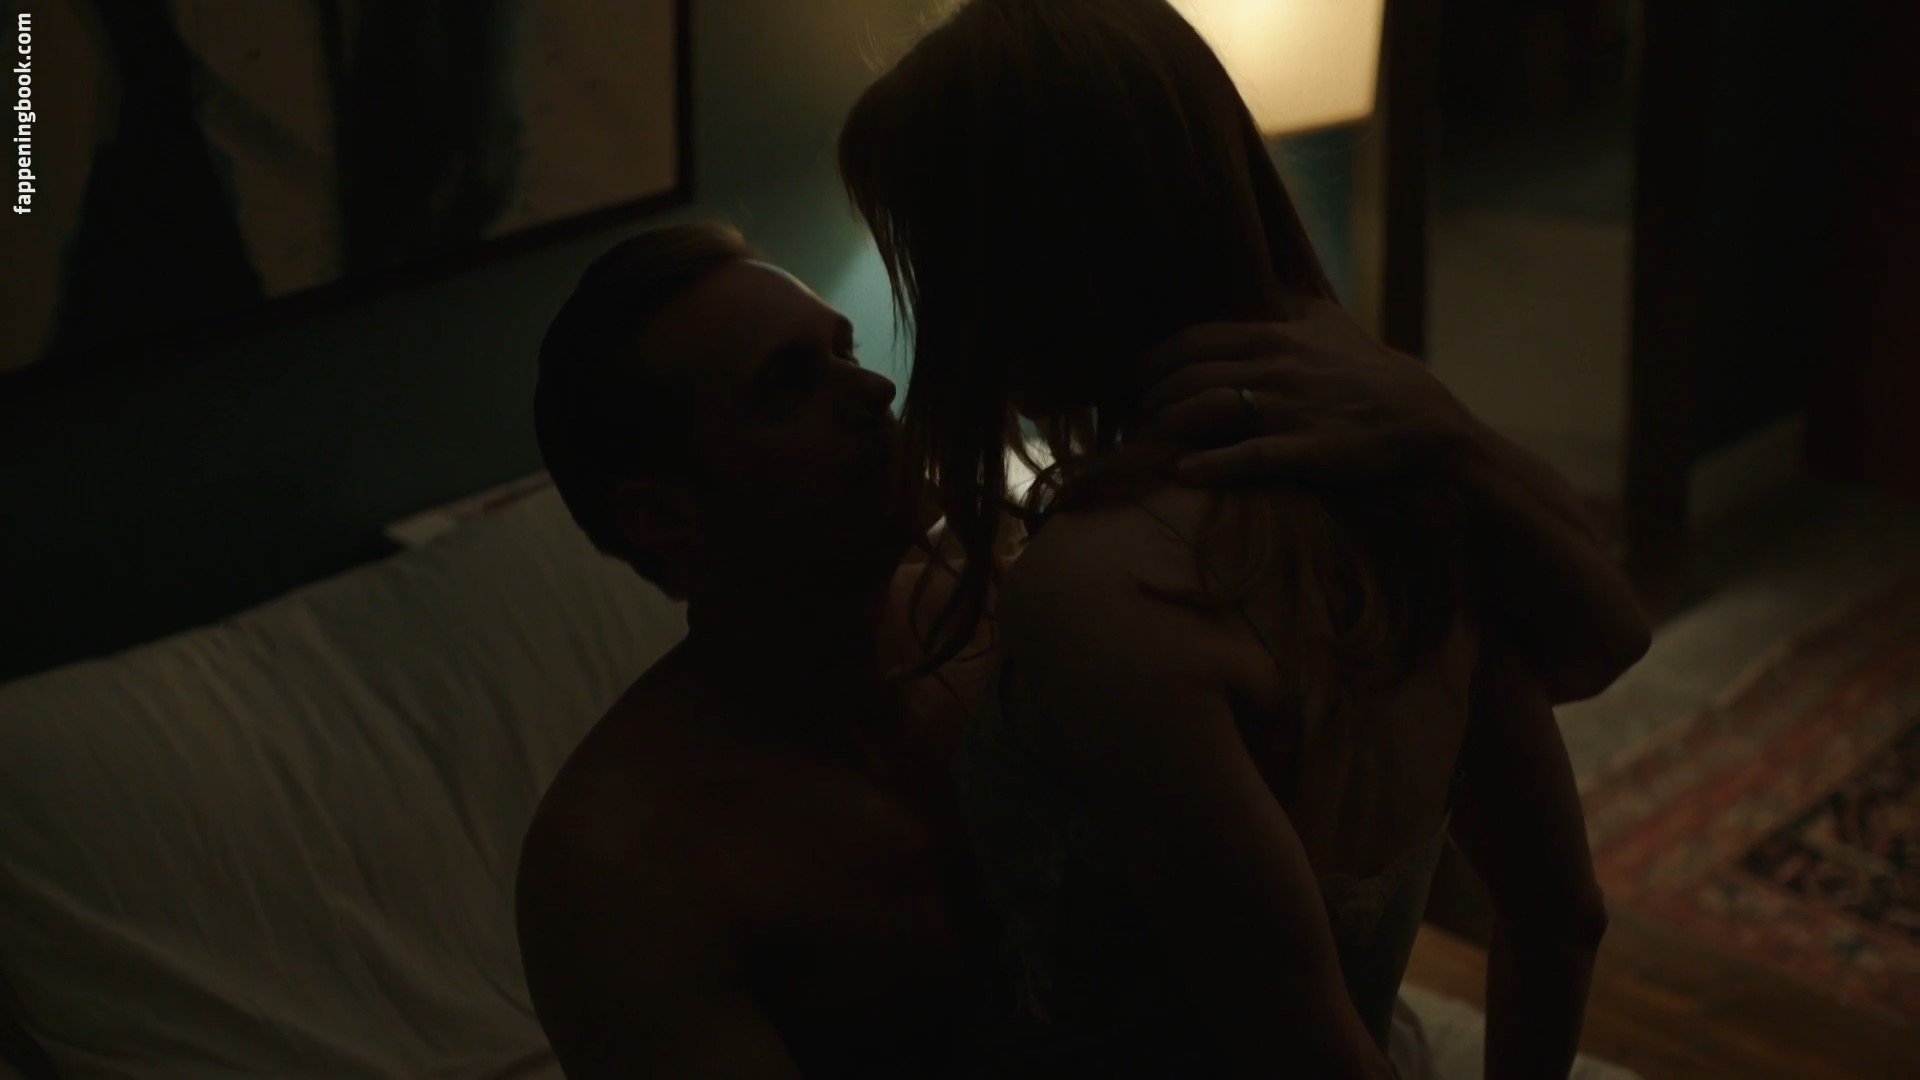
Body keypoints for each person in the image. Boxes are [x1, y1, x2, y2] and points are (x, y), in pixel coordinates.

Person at [838, 1, 1646, 1076]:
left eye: (934, 253)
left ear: (1021, 264)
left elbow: (1293, 1041)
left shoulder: (1103, 588)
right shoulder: (1410, 491)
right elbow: (1561, 917)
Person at [515, 222, 1510, 1076]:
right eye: (787, 385)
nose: (872, 388)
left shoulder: (1027, 603)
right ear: (663, 519)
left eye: (843, 349)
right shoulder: (625, 868)